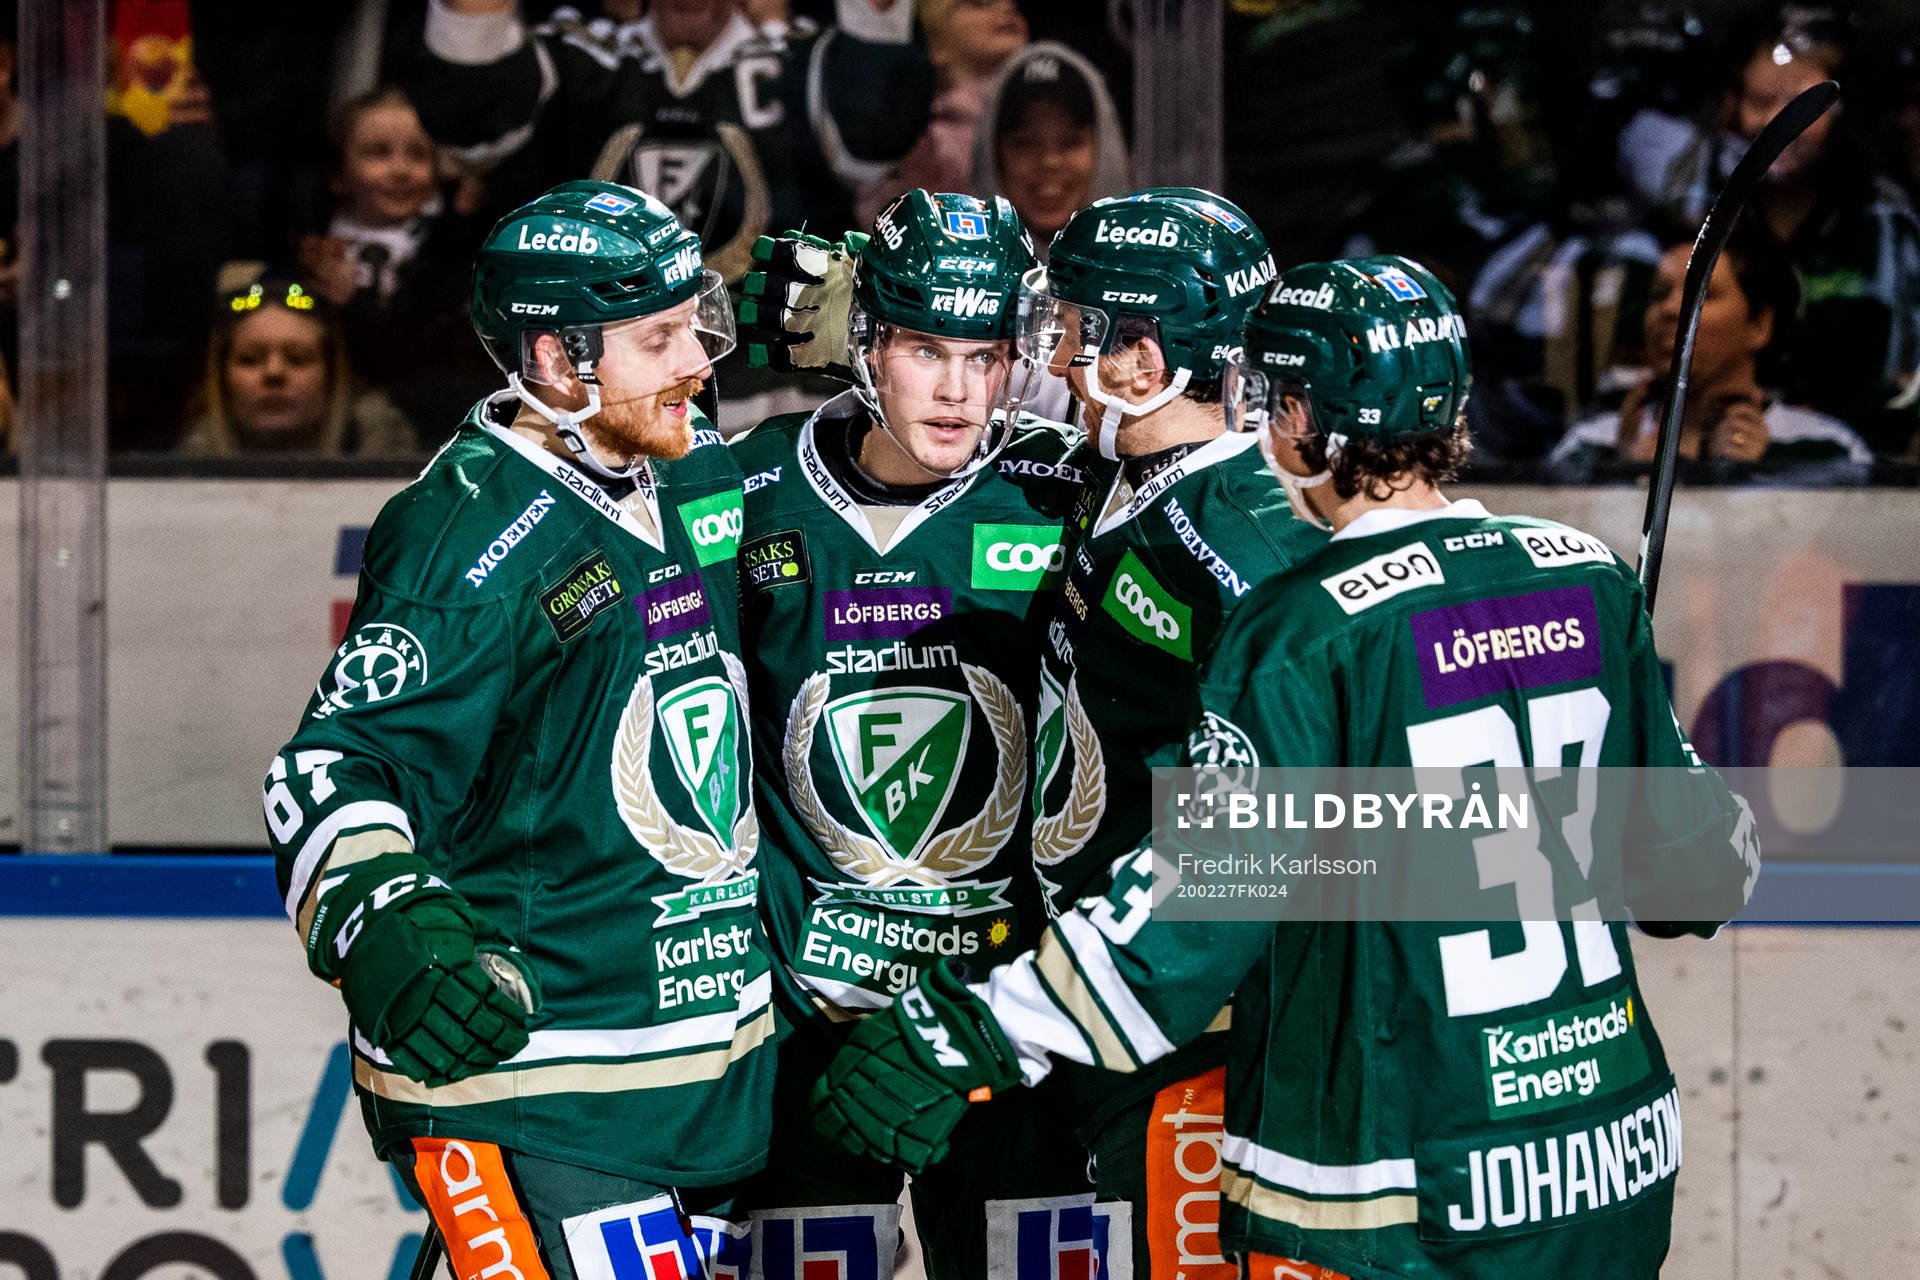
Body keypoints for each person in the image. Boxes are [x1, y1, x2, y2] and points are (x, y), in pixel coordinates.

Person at [813, 254, 1763, 1280]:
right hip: (1606, 1164)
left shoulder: (1306, 628)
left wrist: (971, 1031)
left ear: (1307, 415)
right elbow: (1703, 877)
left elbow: (1193, 918)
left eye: (1269, 398)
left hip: (1402, 1188)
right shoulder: (1584, 574)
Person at [261, 180, 769, 1280]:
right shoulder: (471, 537)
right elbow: (334, 765)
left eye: (699, 326)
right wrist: (388, 925)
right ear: (554, 360)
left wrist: (875, 322)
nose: (699, 361)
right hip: (544, 1075)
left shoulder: (676, 470)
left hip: (696, 1072)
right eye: (660, 337)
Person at [730, 188, 1100, 1276]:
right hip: (809, 1034)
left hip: (1006, 1028)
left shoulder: (1068, 486)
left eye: (984, 354)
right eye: (923, 349)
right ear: (866, 344)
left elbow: (1206, 427)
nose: (954, 389)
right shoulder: (745, 489)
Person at [1012, 188, 1321, 1279]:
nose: (1044, 354)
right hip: (1112, 1015)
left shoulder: (1241, 538)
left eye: (1072, 328)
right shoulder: (1131, 473)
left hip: (1192, 1033)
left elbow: (1302, 820)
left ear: (1141, 360)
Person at [403, 0, 933, 281]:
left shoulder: (802, 60)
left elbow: (873, 141)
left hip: (771, 390)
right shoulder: (576, 57)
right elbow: (470, 126)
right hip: (596, 376)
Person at [1654, 10, 1920, 453]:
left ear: (1842, 109)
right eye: (1759, 103)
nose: (1776, 126)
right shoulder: (1700, 209)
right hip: (1708, 451)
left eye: (1800, 108)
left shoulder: (1887, 223)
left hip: (1857, 468)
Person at [1548, 220, 1872, 485]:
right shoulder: (1590, 447)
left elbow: (1838, 561)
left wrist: (1756, 477)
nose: (1670, 309)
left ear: (1760, 326)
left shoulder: (1827, 451)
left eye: (1701, 294)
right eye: (1659, 294)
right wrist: (1624, 475)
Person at [298, 86, 498, 439]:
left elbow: (416, 360)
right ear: (338, 175)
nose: (401, 169)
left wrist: (351, 302)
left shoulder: (454, 255)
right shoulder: (309, 248)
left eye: (419, 155)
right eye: (378, 153)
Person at [177, 276, 418, 458]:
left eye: (297, 358)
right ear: (221, 379)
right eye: (250, 359)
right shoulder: (179, 476)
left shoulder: (398, 472)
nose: (274, 372)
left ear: (333, 376)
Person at [854, 0, 1030, 228]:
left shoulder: (1069, 106)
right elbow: (877, 219)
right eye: (980, 4)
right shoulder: (921, 142)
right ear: (934, 45)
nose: (1007, 7)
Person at [971, 40, 1129, 250]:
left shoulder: (1150, 276)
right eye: (1025, 143)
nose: (1049, 161)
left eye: (1071, 142)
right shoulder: (951, 277)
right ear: (992, 157)